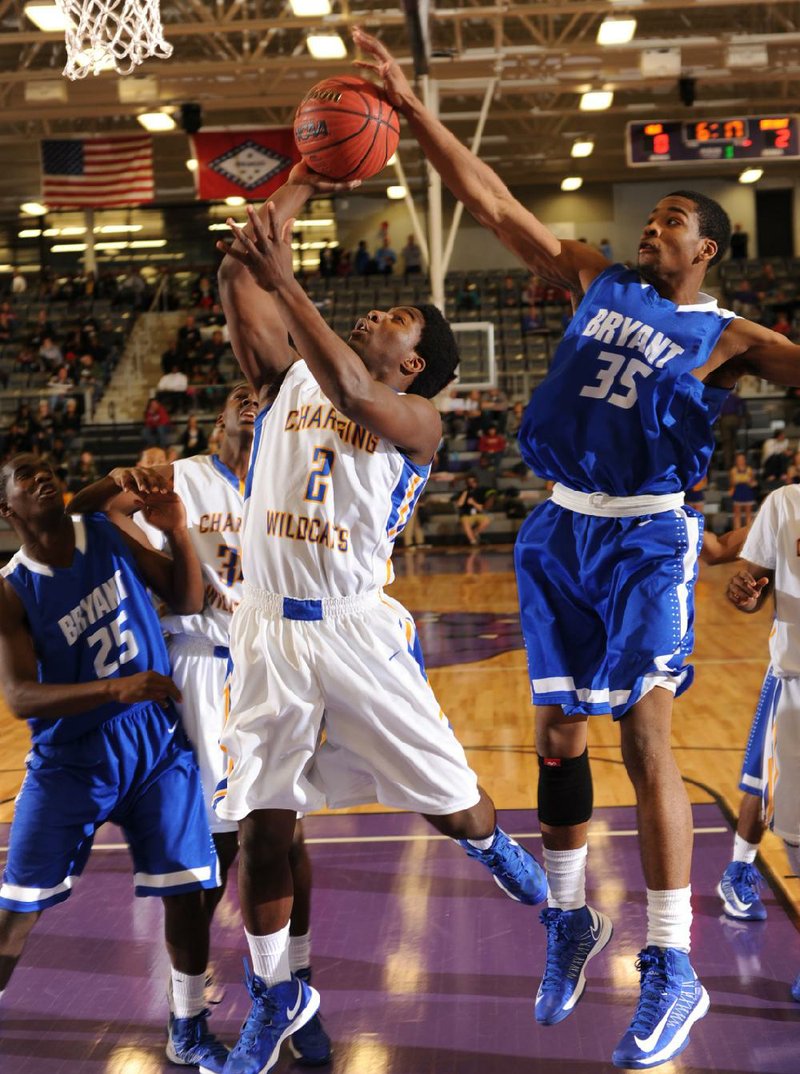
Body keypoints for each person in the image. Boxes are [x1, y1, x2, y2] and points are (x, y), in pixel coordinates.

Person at [352, 24, 800, 1068]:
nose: (654, 225)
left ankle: (672, 963)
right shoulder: (596, 278)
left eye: (674, 220)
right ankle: (566, 918)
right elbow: (496, 204)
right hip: (557, 524)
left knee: (644, 739)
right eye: (653, 217)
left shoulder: (731, 337)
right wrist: (414, 112)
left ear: (707, 251)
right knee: (556, 740)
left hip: (645, 533)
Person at [215, 174, 548, 1073]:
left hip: (357, 633)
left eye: (397, 314)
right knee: (261, 828)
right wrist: (301, 183)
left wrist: (288, 279)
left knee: (455, 811)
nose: (378, 315)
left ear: (416, 360)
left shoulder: (416, 419)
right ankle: (277, 997)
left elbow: (356, 393)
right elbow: (236, 281)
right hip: (266, 634)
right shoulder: (285, 381)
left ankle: (526, 876)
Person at [70, 383, 333, 1065]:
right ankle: (186, 1017)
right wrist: (114, 484)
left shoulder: (299, 483)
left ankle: (291, 989)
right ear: (213, 417)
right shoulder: (181, 476)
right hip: (193, 674)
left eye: (263, 398)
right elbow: (83, 515)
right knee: (199, 863)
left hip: (274, 672)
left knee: (282, 840)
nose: (252, 402)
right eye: (240, 395)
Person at [0, 454, 228, 1072]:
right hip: (71, 758)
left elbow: (184, 597)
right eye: (23, 475)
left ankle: (188, 1025)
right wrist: (113, 690)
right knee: (19, 907)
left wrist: (177, 528)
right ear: (7, 510)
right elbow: (20, 698)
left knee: (186, 889)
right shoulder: (12, 588)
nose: (39, 473)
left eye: (45, 467)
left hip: (154, 743)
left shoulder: (101, 530)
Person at [726, 485, 800, 1001]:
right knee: (771, 788)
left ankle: (738, 867)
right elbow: (752, 583)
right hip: (794, 676)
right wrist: (746, 595)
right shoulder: (786, 502)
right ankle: (738, 866)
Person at [456, 474, 491, 545]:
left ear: (476, 482)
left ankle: (475, 533)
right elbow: (459, 504)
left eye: (473, 482)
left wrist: (473, 503)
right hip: (466, 515)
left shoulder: (480, 492)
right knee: (465, 522)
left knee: (486, 520)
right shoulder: (463, 492)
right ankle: (473, 541)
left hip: (478, 514)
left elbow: (482, 508)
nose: (471, 484)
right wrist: (465, 493)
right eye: (469, 482)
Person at [729, 451, 757, 528]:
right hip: (738, 492)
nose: (740, 461)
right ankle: (736, 531)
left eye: (742, 459)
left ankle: (748, 533)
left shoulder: (749, 469)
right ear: (736, 461)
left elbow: (752, 482)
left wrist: (745, 480)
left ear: (745, 460)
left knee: (748, 513)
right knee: (737, 514)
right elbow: (732, 482)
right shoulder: (733, 470)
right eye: (739, 459)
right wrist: (743, 479)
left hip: (747, 491)